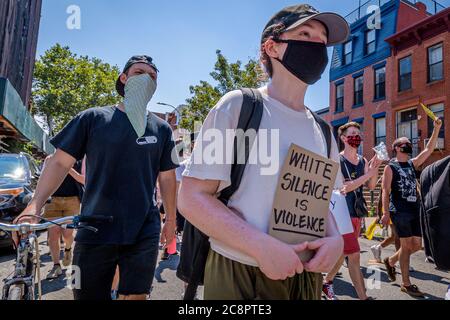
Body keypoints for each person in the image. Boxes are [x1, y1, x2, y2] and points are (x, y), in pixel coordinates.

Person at [179, 4, 350, 300]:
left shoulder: (324, 131)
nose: (317, 45)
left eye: (322, 40)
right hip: (240, 270)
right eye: (305, 33)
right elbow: (191, 198)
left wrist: (335, 239)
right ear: (272, 47)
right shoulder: (239, 106)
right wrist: (260, 246)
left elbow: (318, 202)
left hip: (305, 276)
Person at [15, 55, 179, 300]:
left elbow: (168, 178)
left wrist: (170, 221)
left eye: (152, 77)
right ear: (124, 79)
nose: (146, 79)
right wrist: (34, 204)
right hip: (95, 227)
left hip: (144, 227)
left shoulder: (163, 129)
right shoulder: (92, 118)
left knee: (136, 296)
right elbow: (59, 163)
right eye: (138, 73)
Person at [381, 118, 442, 297]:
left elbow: (429, 150)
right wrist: (385, 213)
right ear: (398, 148)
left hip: (415, 209)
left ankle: (391, 261)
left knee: (416, 245)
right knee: (407, 245)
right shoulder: (390, 167)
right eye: (405, 143)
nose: (409, 145)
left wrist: (436, 128)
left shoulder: (411, 163)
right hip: (399, 210)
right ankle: (406, 283)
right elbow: (385, 190)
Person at [322, 122, 382, 300]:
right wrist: (367, 175)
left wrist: (375, 168)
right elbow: (344, 188)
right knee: (354, 256)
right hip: (340, 213)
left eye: (358, 133)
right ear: (343, 138)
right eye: (352, 133)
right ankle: (363, 297)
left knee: (344, 253)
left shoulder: (362, 160)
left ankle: (327, 282)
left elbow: (371, 186)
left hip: (356, 212)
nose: (357, 136)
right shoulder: (337, 160)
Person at [42, 157, 85, 279]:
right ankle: (56, 266)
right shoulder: (50, 159)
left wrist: (66, 167)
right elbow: (44, 178)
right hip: (52, 201)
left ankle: (67, 249)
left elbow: (83, 179)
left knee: (67, 234)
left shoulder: (79, 160)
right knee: (53, 235)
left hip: (72, 200)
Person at [370, 190, 400, 263]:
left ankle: (378, 248)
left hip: (401, 209)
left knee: (394, 236)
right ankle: (400, 259)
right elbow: (381, 196)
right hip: (391, 210)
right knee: (397, 236)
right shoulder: (388, 179)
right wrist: (379, 214)